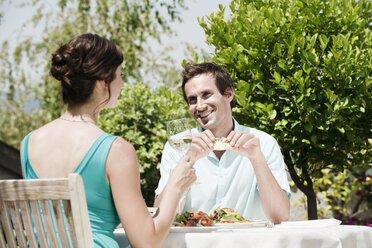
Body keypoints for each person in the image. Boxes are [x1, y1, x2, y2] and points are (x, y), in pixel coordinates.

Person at [20, 33, 197, 248]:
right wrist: (177, 184)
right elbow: (147, 242)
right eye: (120, 74)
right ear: (104, 81)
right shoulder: (115, 150)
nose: (122, 84)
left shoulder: (29, 143)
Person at [154, 62, 290, 224]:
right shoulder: (178, 145)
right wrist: (188, 160)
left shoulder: (264, 143)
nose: (200, 105)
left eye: (206, 94)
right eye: (192, 99)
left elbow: (280, 217)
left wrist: (257, 159)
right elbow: (160, 217)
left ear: (228, 94)